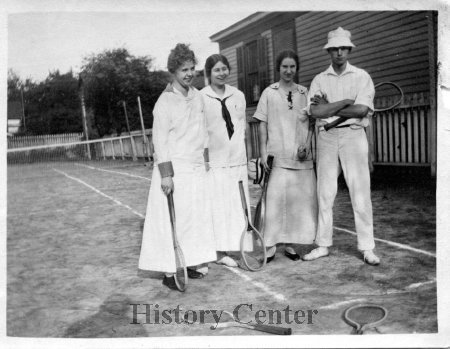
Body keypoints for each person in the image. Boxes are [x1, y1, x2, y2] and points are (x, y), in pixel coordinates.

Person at [138, 43, 216, 290]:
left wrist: (204, 161)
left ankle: (189, 262)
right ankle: (169, 272)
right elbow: (160, 141)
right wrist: (166, 175)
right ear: (173, 71)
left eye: (192, 68)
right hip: (173, 171)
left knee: (193, 219)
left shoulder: (198, 96)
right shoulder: (164, 102)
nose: (189, 73)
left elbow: (203, 133)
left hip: (194, 168)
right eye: (184, 69)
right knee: (170, 221)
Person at [302, 27, 380, 266]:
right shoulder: (319, 79)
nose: (339, 52)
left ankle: (367, 247)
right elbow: (316, 111)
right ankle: (323, 245)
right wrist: (344, 103)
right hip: (326, 137)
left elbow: (361, 110)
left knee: (360, 192)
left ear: (349, 49)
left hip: (354, 135)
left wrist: (331, 105)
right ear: (329, 51)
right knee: (324, 193)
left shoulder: (362, 76)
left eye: (343, 48)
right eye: (334, 48)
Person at [253, 49, 317, 263]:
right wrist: (263, 153)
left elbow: (312, 123)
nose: (288, 71)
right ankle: (270, 245)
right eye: (284, 67)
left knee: (296, 203)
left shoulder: (304, 93)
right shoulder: (269, 92)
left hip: (300, 158)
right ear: (278, 68)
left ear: (296, 68)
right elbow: (262, 124)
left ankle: (290, 244)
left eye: (292, 67)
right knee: (275, 202)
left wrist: (306, 146)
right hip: (277, 157)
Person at [201, 54, 249, 268]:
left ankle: (239, 248)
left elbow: (242, 128)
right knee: (218, 208)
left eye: (224, 69)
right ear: (209, 74)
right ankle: (220, 252)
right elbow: (200, 133)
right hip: (215, 163)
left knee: (238, 207)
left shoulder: (238, 95)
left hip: (237, 161)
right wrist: (205, 161)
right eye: (216, 70)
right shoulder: (201, 97)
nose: (221, 73)